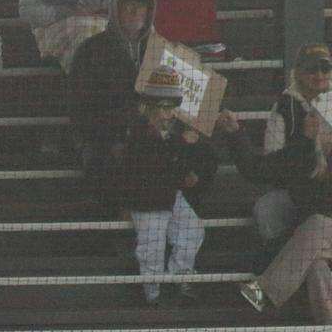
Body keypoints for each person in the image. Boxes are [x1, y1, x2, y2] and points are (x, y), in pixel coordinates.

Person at [113, 68, 239, 307]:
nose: (165, 113)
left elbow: (171, 164)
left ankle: (180, 277)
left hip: (170, 195)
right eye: (160, 107)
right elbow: (150, 163)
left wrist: (184, 174)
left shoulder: (170, 132)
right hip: (146, 201)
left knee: (192, 230)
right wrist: (182, 146)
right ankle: (153, 295)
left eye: (170, 107)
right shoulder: (137, 132)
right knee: (152, 248)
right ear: (147, 106)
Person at [70, 0, 156, 182]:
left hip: (150, 137)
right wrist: (111, 142)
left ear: (149, 12)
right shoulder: (90, 50)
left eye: (141, 6)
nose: (135, 12)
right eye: (129, 6)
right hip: (104, 139)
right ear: (116, 10)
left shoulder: (158, 51)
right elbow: (81, 109)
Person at [246, 44, 332, 246]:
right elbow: (273, 162)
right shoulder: (284, 106)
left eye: (325, 68)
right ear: (299, 73)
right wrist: (307, 143)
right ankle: (277, 260)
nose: (319, 74)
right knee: (267, 208)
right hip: (295, 189)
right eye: (311, 69)